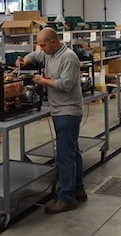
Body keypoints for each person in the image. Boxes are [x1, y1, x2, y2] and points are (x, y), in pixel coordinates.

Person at [16, 27, 85, 214]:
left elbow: (66, 84)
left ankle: (66, 198)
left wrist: (42, 81)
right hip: (58, 109)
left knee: (65, 155)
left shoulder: (68, 57)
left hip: (68, 111)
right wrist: (26, 59)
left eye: (44, 44)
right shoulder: (48, 53)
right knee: (72, 151)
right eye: (40, 45)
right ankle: (78, 188)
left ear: (54, 42)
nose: (41, 48)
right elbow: (37, 55)